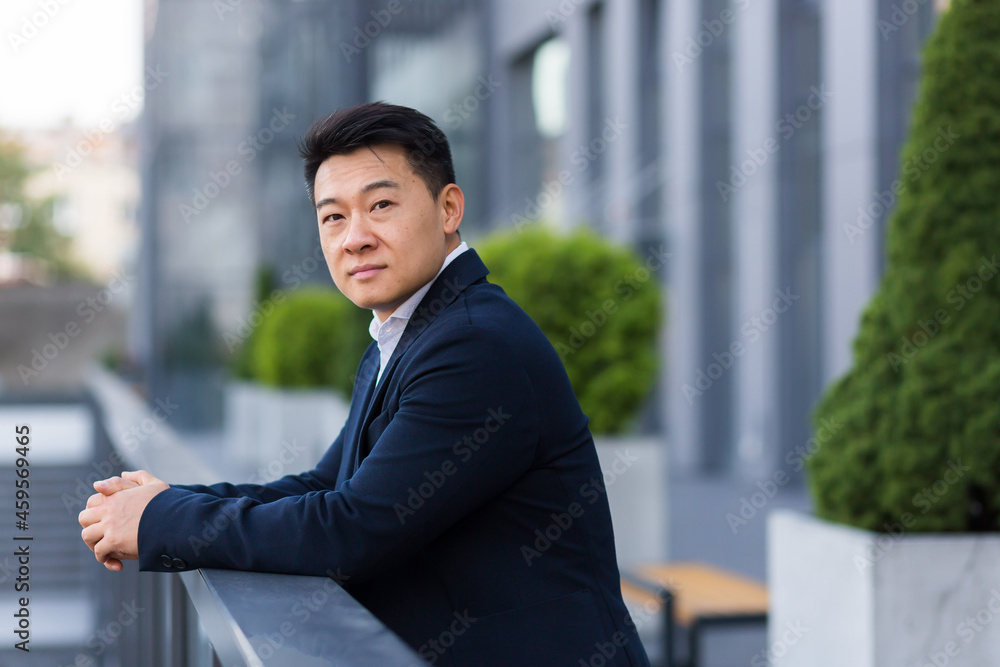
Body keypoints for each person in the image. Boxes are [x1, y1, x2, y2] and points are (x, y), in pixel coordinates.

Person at [79, 101, 651, 667]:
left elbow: (352, 531)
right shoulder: (406, 332)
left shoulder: (475, 344)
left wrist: (162, 521)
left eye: (380, 205)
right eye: (333, 217)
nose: (355, 238)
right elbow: (325, 483)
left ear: (448, 208)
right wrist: (170, 500)